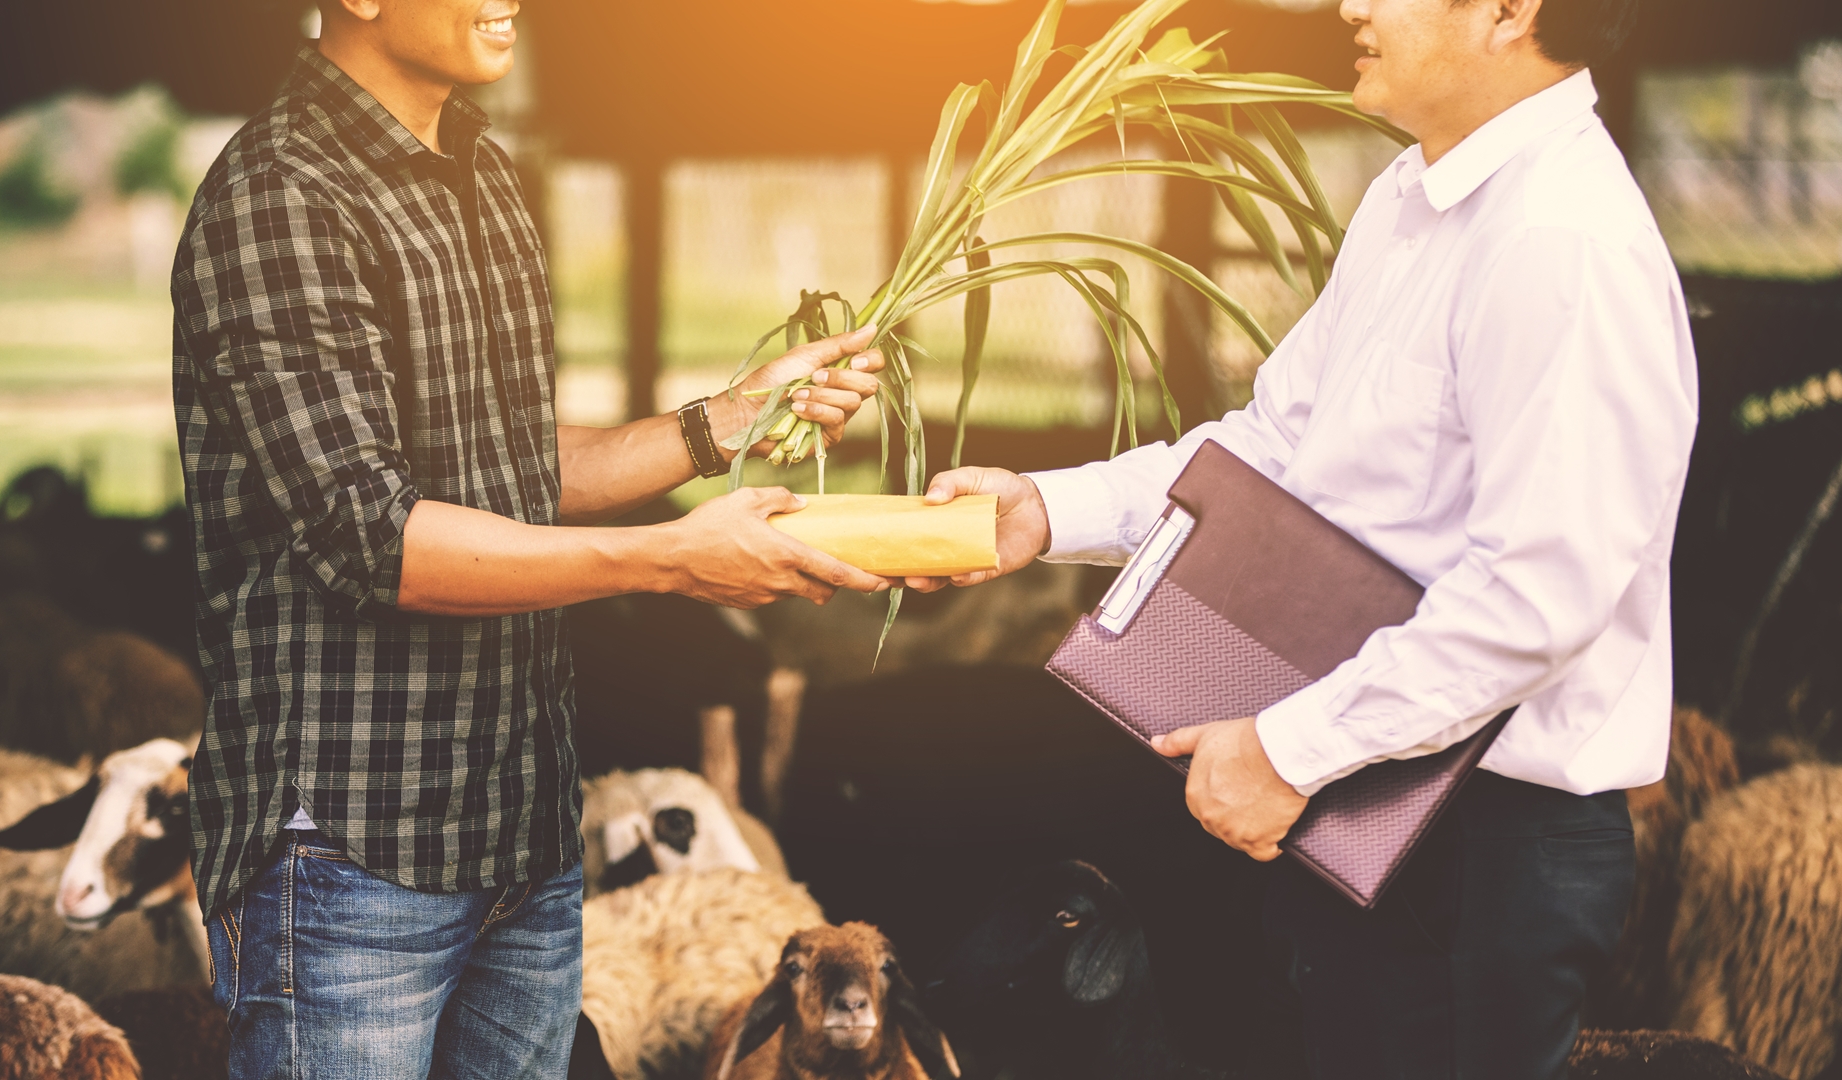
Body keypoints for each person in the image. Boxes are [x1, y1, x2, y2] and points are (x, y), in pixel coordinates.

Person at [910, 0, 1695, 1076]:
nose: (1351, 5)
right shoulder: (1413, 198)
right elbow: (1274, 451)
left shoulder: (1562, 240)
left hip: (1476, 842)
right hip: (1362, 798)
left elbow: (1537, 595)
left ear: (1513, 9)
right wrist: (1045, 511)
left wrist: (1287, 749)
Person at [172, 2, 889, 1076]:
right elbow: (382, 538)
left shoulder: (483, 171)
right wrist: (670, 559)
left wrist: (729, 418)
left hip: (521, 832)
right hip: (354, 849)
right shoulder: (280, 194)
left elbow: (505, 467)